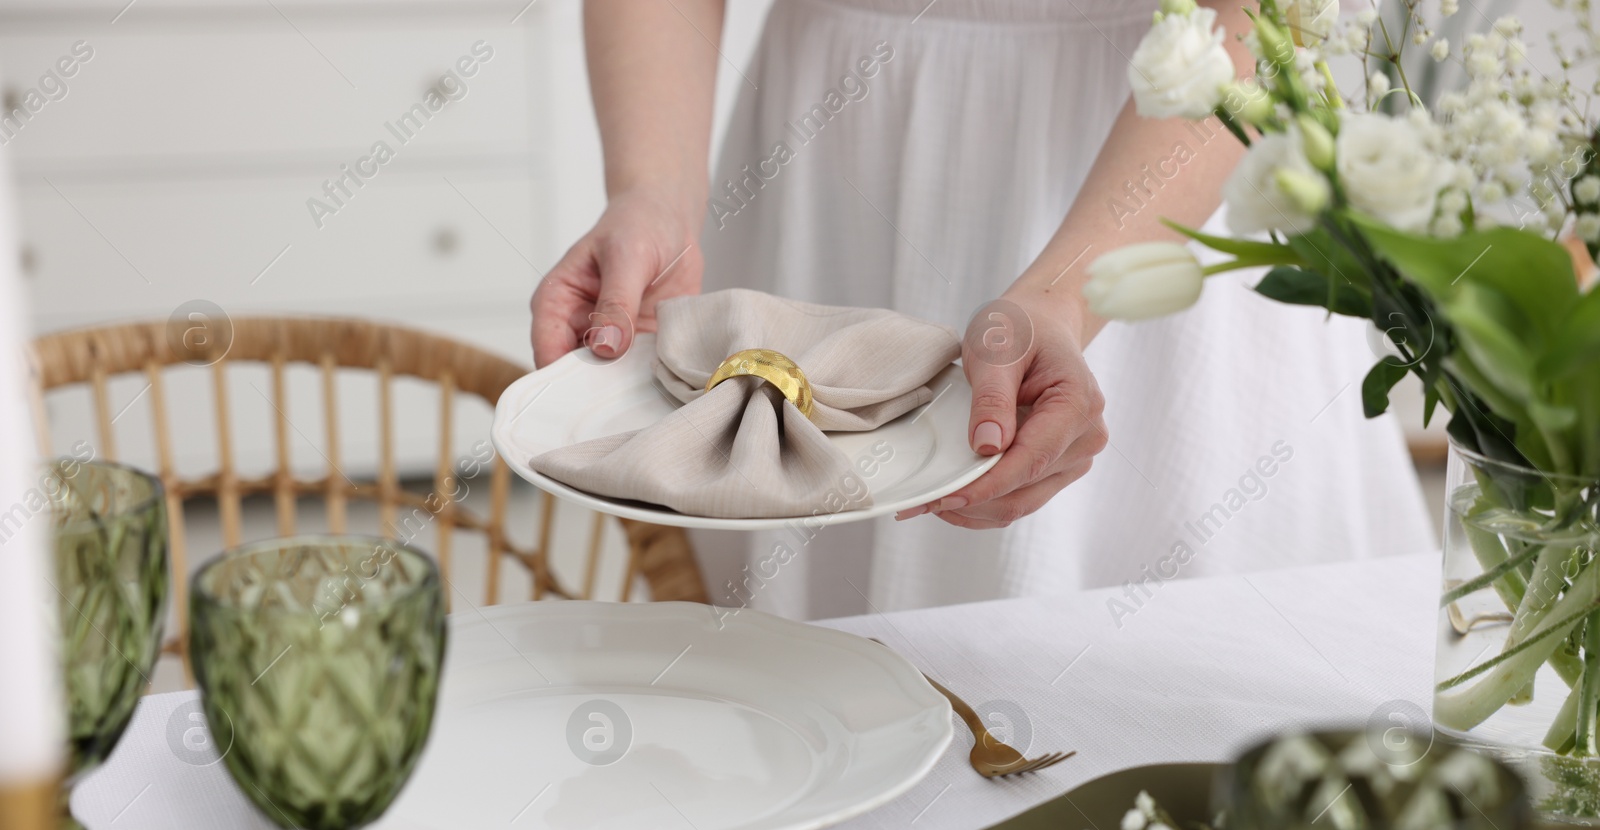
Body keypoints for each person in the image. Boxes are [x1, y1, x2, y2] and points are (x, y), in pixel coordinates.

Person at [531, 0, 1432, 619]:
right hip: (825, 167)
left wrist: (1068, 293)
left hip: (1159, 182)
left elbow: (1265, 14)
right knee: (793, 713)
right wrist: (651, 191)